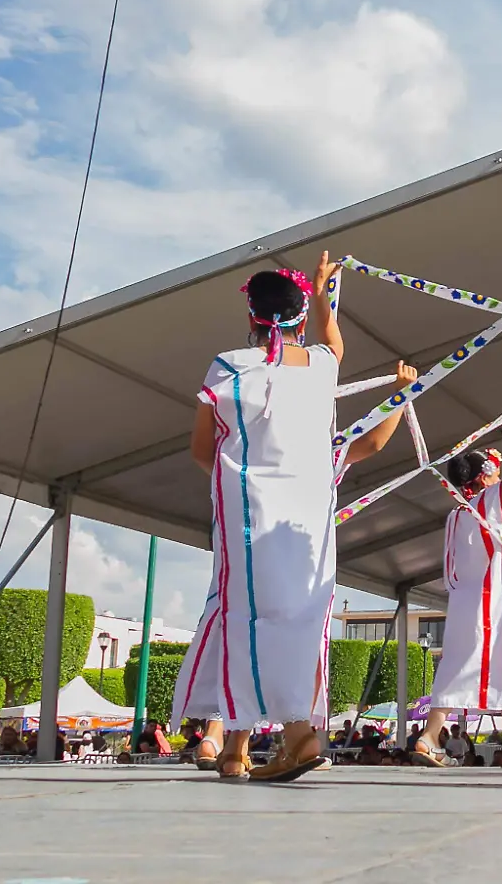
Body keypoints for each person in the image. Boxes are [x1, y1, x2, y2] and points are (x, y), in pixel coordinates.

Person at [175, 253, 415, 784]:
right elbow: (335, 348)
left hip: (250, 517)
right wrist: (329, 295)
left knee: (244, 618)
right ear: (301, 319)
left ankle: (279, 739)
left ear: (252, 318)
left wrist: (246, 468)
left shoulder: (229, 366)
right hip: (308, 523)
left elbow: (201, 451)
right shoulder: (322, 369)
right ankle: (270, 740)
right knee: (300, 621)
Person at [412, 402, 502, 769]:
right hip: (495, 604)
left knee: (460, 663)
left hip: (469, 602)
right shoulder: (486, 502)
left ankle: (431, 735)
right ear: (484, 477)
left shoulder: (457, 514)